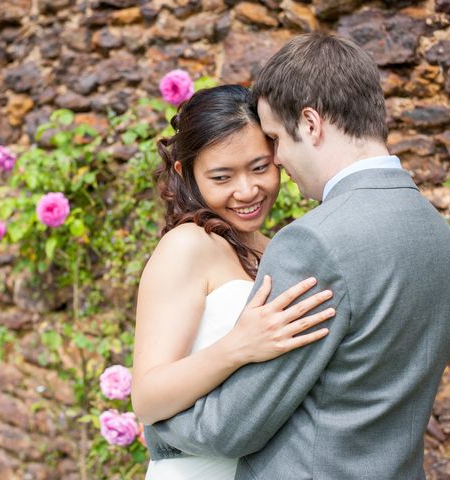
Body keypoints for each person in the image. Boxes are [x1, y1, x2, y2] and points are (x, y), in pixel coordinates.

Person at [145, 33, 450, 479]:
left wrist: (158, 433)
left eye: (272, 146)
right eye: (223, 174)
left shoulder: (311, 243)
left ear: (311, 125)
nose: (277, 162)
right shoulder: (440, 237)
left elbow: (230, 429)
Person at [131, 84, 336, 479]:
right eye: (222, 176)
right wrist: (236, 347)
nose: (247, 191)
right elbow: (147, 399)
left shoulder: (275, 247)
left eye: (260, 167)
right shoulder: (187, 246)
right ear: (185, 173)